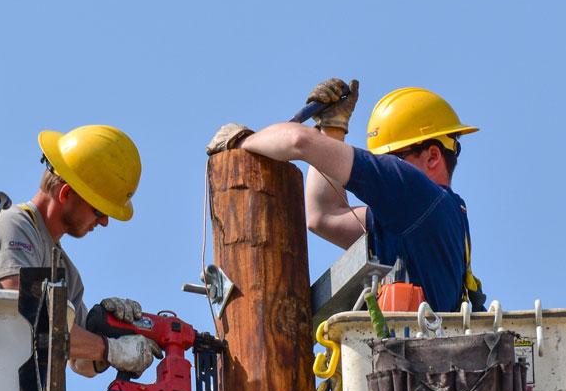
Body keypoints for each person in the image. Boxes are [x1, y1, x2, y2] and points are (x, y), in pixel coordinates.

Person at [206, 78, 485, 312]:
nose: (386, 170)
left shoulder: (416, 194)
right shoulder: (424, 219)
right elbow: (323, 216)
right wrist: (333, 128)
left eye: (392, 159)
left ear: (433, 156)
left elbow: (298, 141)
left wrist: (241, 141)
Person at [0, 124, 160, 377]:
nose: (104, 222)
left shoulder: (64, 271)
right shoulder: (13, 225)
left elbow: (80, 361)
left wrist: (114, 330)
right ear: (66, 193)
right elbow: (24, 310)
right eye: (99, 210)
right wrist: (109, 348)